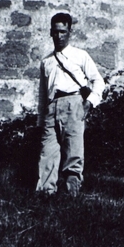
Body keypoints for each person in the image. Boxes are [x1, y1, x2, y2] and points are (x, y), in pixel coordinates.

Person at [36, 12, 105, 197]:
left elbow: (98, 81)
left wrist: (89, 103)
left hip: (74, 104)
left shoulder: (80, 56)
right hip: (51, 107)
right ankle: (45, 194)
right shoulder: (46, 61)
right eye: (56, 32)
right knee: (47, 152)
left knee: (73, 152)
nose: (59, 36)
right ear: (51, 33)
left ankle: (72, 194)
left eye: (63, 32)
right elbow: (43, 94)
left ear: (69, 33)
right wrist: (40, 120)